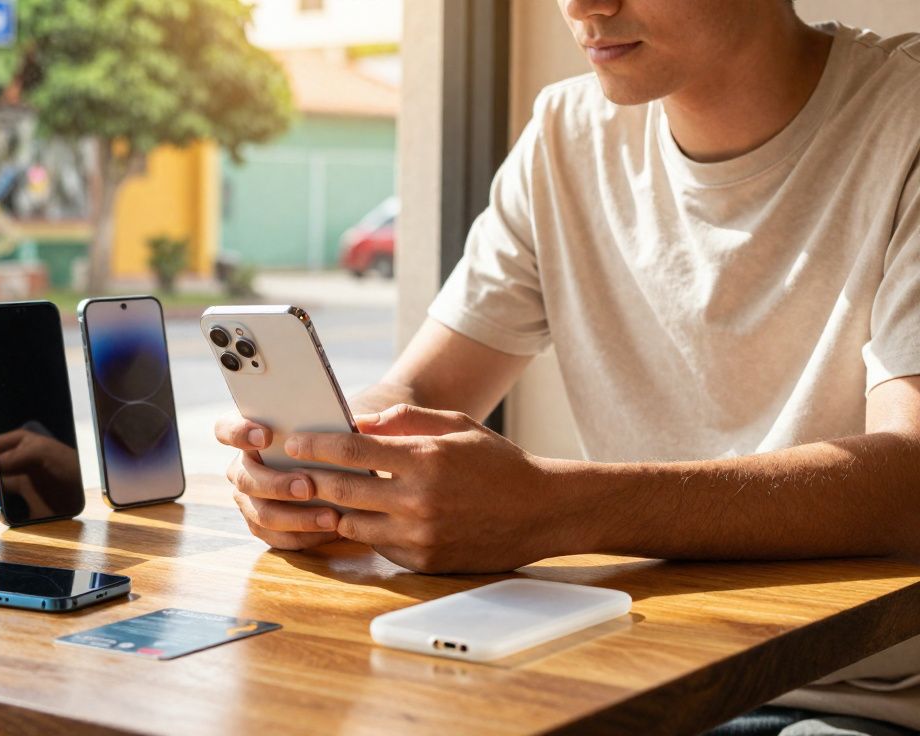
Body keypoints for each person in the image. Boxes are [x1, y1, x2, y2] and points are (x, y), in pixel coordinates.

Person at [215, 1, 920, 733]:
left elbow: (911, 480)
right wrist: (329, 461)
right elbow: (420, 387)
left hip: (855, 693)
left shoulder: (905, 117)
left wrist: (552, 508)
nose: (583, 5)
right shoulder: (566, 133)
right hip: (629, 673)